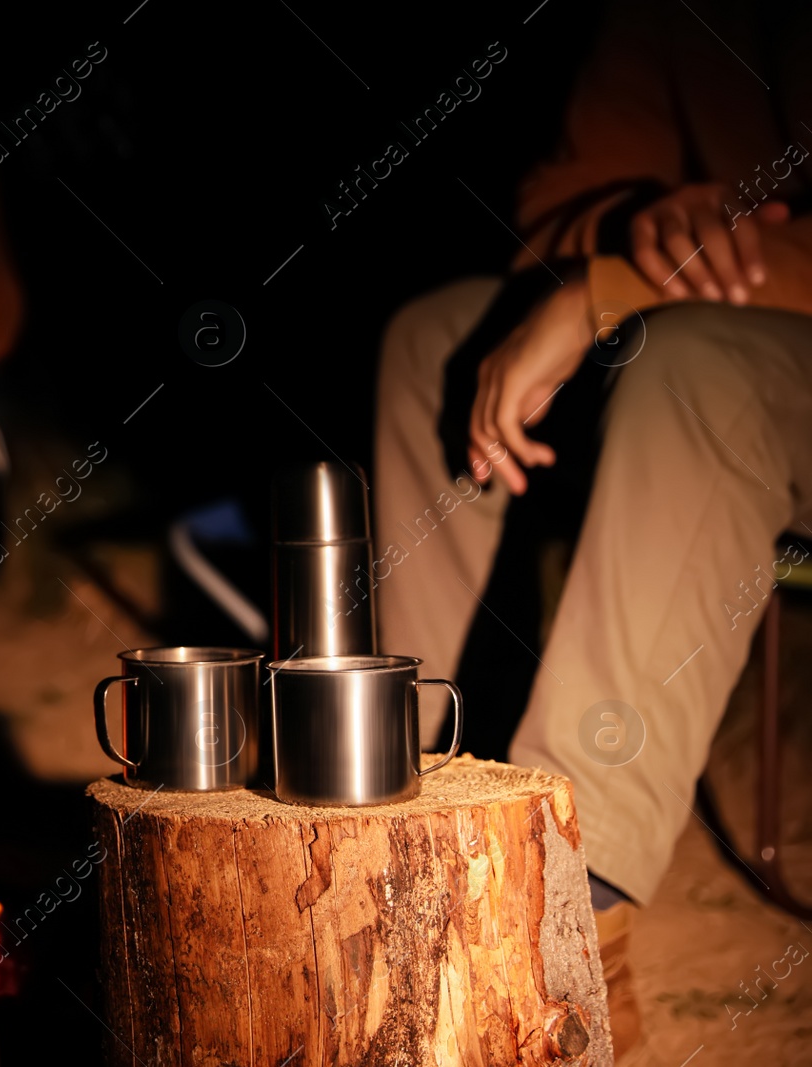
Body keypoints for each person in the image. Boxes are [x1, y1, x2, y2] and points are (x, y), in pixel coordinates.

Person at [374, 0, 812, 1061]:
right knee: (437, 338)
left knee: (692, 361)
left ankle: (566, 916)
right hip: (715, 314)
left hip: (740, 349)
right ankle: (418, 822)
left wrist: (605, 291)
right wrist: (631, 228)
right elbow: (565, 194)